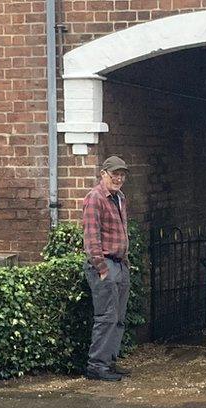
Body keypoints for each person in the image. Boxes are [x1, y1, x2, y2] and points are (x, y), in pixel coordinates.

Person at [82, 155, 133, 381]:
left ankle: (110, 361)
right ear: (103, 174)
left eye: (122, 175)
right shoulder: (95, 198)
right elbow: (92, 238)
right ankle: (97, 366)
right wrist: (101, 268)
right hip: (106, 264)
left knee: (119, 317)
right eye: (114, 174)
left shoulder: (120, 198)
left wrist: (126, 261)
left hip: (120, 264)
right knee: (106, 317)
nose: (118, 178)